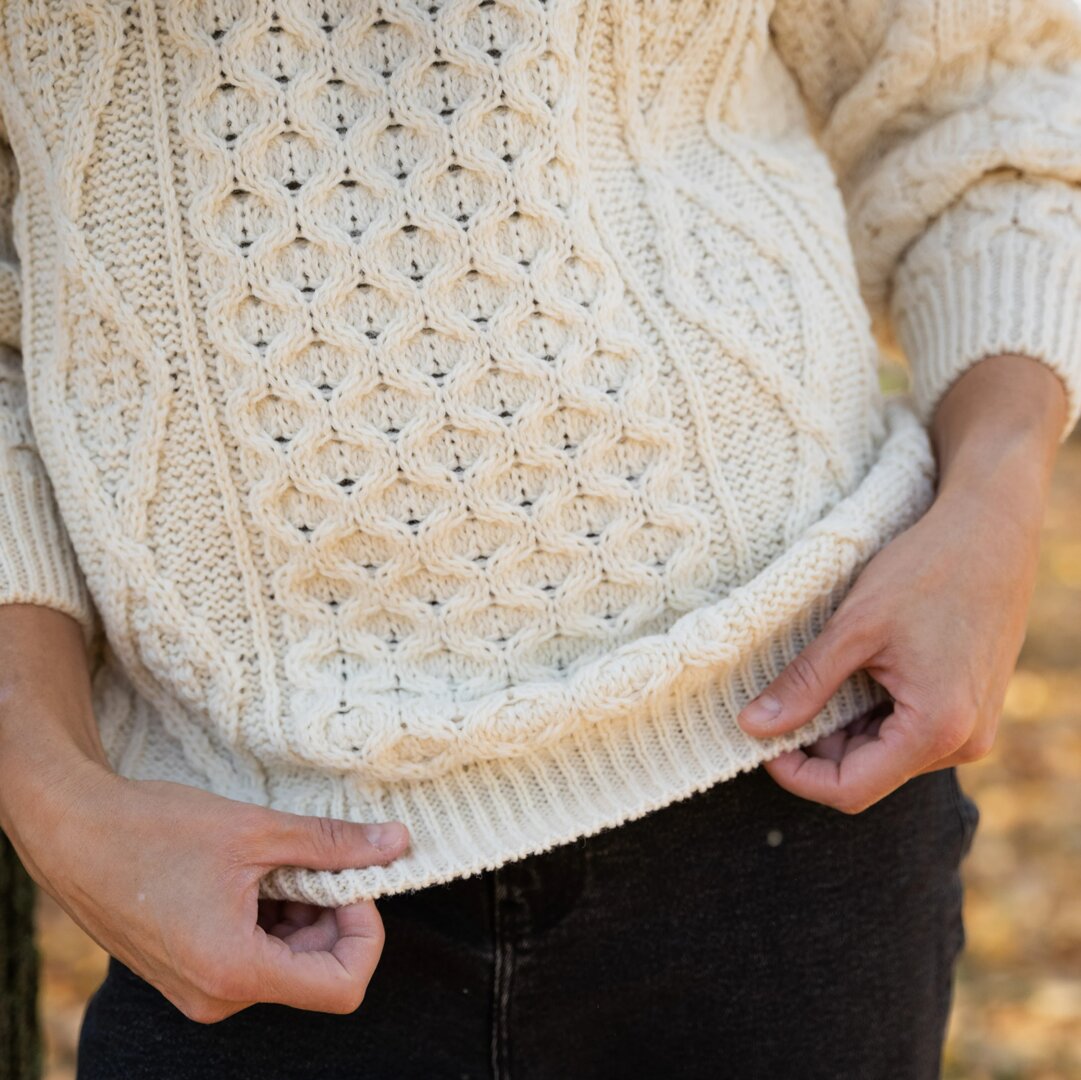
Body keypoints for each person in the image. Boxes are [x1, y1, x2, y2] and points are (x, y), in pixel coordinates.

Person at [0, 0, 1079, 1076]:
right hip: (252, 871)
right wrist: (51, 794)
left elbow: (986, 93)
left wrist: (994, 500)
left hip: (802, 752)